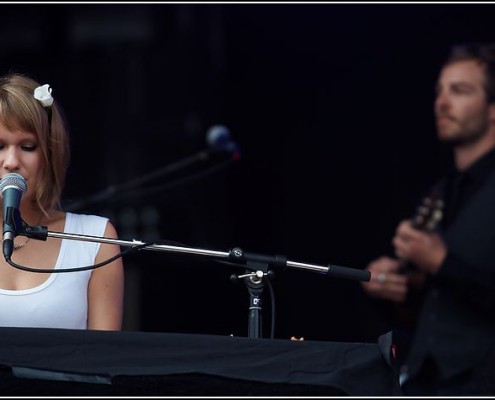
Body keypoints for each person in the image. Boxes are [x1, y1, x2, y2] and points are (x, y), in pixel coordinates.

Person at [362, 42, 495, 395]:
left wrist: (441, 262)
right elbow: (431, 309)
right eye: (439, 91)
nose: (441, 103)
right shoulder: (439, 193)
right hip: (426, 379)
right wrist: (395, 287)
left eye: (460, 91)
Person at [0, 72, 124, 330]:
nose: (11, 161)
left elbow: (103, 360)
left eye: (28, 146)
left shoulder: (94, 239)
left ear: (49, 154)